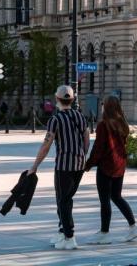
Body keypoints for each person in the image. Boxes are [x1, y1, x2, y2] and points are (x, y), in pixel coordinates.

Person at [29, 85, 89, 250]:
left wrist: (34, 166)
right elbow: (86, 138)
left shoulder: (55, 120)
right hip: (79, 164)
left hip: (64, 165)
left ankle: (70, 236)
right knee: (68, 198)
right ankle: (63, 231)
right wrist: (83, 155)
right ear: (73, 99)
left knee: (62, 200)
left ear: (57, 99)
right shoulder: (80, 117)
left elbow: (46, 145)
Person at [84, 95, 137, 245]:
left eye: (103, 104)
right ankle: (133, 226)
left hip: (106, 166)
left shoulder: (104, 125)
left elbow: (99, 148)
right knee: (117, 196)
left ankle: (104, 233)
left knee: (105, 200)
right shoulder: (122, 124)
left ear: (106, 107)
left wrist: (88, 164)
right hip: (120, 164)